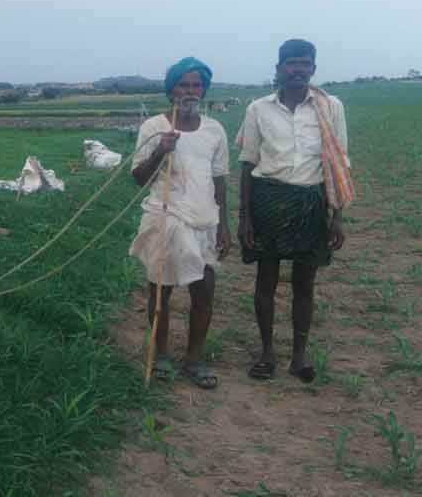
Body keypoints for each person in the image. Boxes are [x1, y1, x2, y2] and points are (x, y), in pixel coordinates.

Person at [237, 39, 353, 383]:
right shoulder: (258, 108)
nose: (297, 69)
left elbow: (338, 162)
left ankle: (299, 355)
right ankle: (267, 352)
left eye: (304, 63)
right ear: (278, 69)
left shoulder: (330, 106)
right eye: (290, 63)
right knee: (266, 281)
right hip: (268, 200)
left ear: (313, 69)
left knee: (305, 284)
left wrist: (337, 216)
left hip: (311, 202)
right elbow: (247, 163)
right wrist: (245, 216)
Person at [130, 57, 231, 389]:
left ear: (203, 89)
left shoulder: (215, 130)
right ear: (171, 89)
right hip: (166, 216)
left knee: (204, 292)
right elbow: (139, 178)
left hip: (205, 219)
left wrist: (225, 225)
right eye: (184, 84)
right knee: (161, 292)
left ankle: (195, 359)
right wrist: (160, 150)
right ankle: (160, 355)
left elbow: (219, 181)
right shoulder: (154, 128)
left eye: (196, 85)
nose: (190, 91)